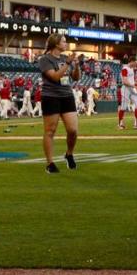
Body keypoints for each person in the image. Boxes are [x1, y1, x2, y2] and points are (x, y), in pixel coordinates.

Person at [37, 33, 80, 174]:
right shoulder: (45, 59)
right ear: (56, 44)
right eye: (63, 41)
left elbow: (75, 78)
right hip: (51, 96)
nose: (66, 44)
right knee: (50, 131)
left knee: (73, 130)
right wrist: (68, 63)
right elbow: (55, 77)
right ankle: (50, 163)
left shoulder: (64, 58)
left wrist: (76, 66)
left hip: (67, 95)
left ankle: (69, 153)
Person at [117, 57, 137, 130]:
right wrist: (135, 86)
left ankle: (136, 124)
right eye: (135, 62)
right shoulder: (124, 69)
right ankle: (120, 124)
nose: (136, 64)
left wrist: (136, 83)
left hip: (131, 89)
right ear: (131, 62)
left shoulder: (131, 69)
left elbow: (131, 80)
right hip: (125, 89)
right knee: (123, 107)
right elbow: (125, 82)